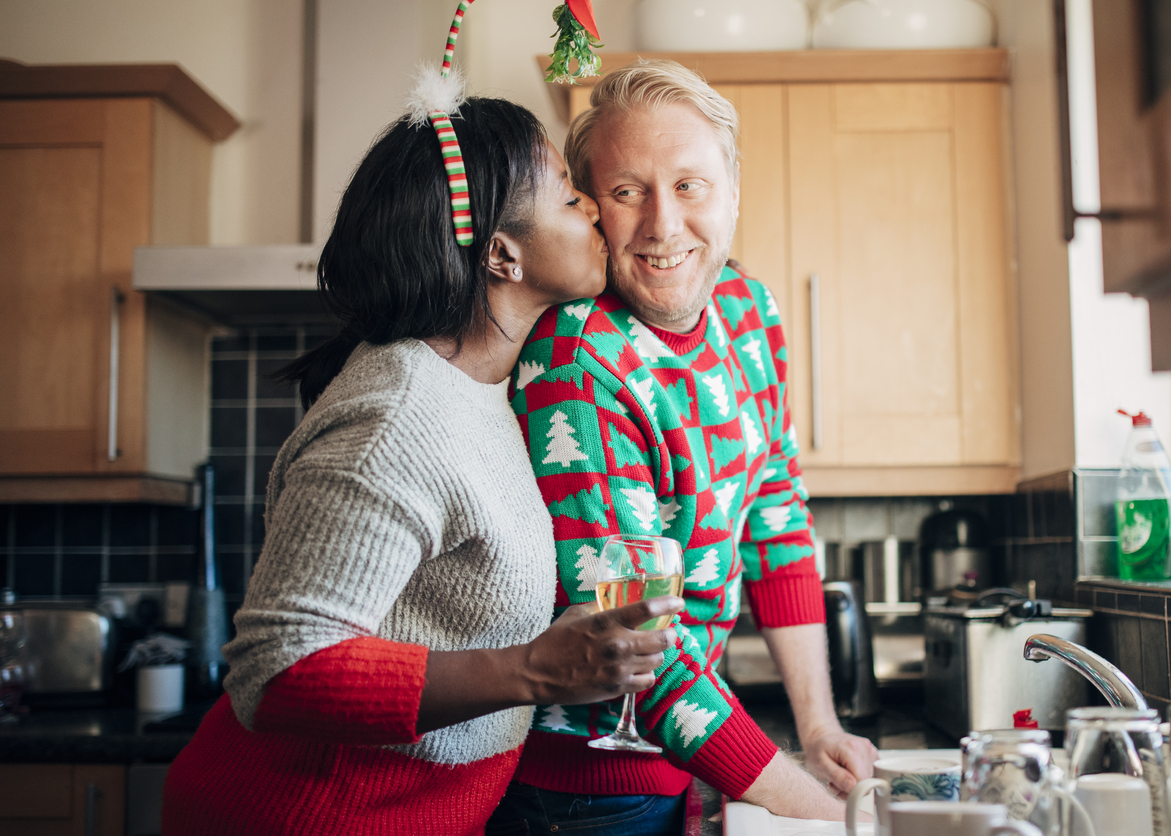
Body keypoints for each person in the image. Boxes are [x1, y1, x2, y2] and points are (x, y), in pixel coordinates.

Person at [161, 90, 684, 836]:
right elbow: (276, 671)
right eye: (571, 198)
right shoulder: (399, 417)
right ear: (502, 253)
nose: (597, 210)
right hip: (311, 816)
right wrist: (534, 669)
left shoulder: (484, 384)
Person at [487, 60, 879, 834]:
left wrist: (820, 728)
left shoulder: (749, 306)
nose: (663, 225)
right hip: (580, 790)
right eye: (629, 192)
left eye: (690, 186)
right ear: (593, 209)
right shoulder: (576, 358)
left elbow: (776, 518)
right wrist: (833, 817)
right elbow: (630, 641)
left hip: (684, 759)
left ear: (733, 188)